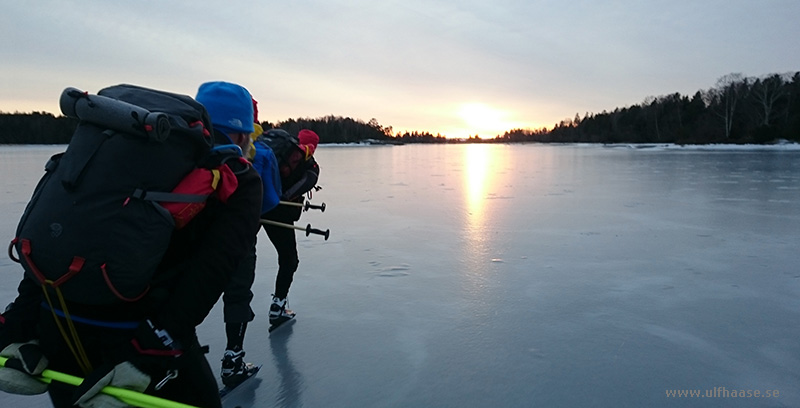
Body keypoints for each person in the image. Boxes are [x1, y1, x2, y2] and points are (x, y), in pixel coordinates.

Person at [0, 81, 263, 408]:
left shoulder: (108, 150)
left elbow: (60, 231)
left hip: (55, 327)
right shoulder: (238, 177)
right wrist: (150, 353)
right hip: (134, 344)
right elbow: (212, 271)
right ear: (241, 134)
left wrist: (17, 322)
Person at [262, 128, 321, 323]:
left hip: (253, 207)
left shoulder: (277, 153)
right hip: (279, 215)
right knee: (289, 259)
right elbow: (304, 184)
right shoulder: (309, 165)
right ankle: (277, 307)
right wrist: (282, 197)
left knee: (237, 260)